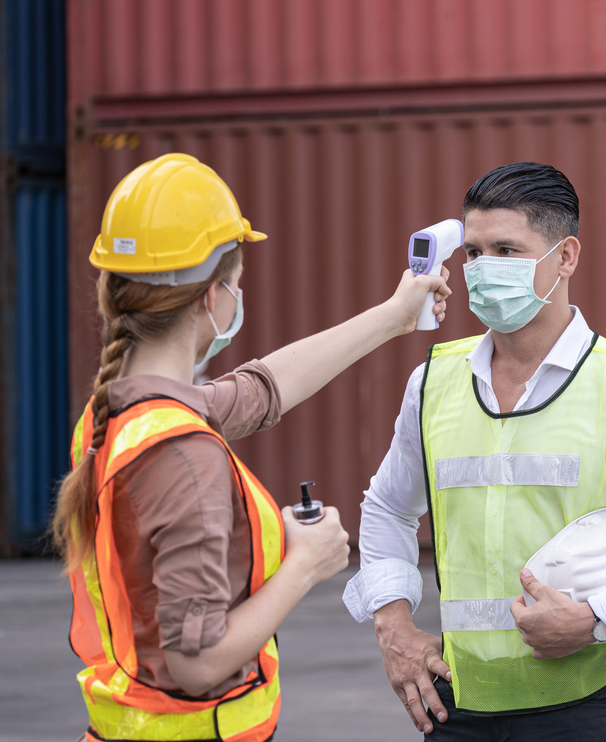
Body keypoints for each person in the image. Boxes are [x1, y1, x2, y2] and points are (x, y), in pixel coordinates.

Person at [343, 162, 606, 739]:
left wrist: (595, 620)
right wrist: (393, 625)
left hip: (586, 711)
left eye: (508, 250)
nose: (485, 271)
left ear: (566, 257)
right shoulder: (432, 384)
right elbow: (386, 508)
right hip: (456, 710)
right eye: (475, 253)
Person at [53, 153, 450, 742]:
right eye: (237, 286)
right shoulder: (183, 456)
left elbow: (263, 390)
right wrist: (303, 565)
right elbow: (197, 661)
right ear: (213, 298)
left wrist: (393, 317)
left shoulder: (118, 414)